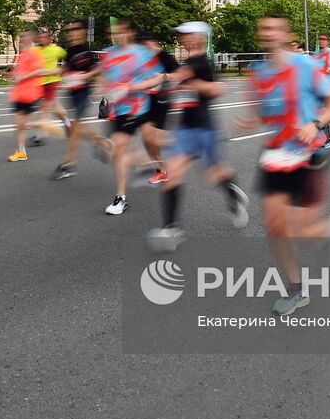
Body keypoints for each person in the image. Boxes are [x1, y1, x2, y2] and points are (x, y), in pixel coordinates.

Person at [234, 14, 330, 315]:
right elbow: (264, 112)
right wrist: (250, 120)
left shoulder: (304, 66)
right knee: (274, 226)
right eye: (263, 28)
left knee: (301, 229)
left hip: (310, 152)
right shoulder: (258, 73)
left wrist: (315, 124)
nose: (268, 32)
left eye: (274, 28)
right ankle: (297, 289)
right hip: (276, 154)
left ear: (286, 34)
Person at [147, 22, 248, 250]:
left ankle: (233, 195)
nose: (182, 38)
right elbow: (178, 80)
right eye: (181, 35)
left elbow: (189, 79)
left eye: (186, 34)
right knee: (172, 173)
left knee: (215, 173)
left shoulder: (201, 61)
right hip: (185, 128)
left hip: (205, 129)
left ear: (199, 37)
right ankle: (171, 229)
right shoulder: (189, 62)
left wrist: (169, 73)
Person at [99, 18, 163, 215]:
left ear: (131, 33)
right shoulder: (109, 54)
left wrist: (131, 87)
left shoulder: (142, 54)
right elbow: (104, 77)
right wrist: (104, 91)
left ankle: (121, 199)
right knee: (122, 151)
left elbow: (158, 78)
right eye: (115, 32)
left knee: (118, 148)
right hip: (117, 109)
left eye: (123, 31)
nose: (119, 35)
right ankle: (149, 165)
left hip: (137, 107)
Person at [55, 20, 109, 180]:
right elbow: (64, 69)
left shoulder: (86, 51)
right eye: (69, 30)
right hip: (71, 94)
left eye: (75, 29)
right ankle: (103, 142)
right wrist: (50, 73)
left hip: (83, 95)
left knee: (75, 130)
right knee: (77, 129)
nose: (71, 32)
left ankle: (67, 165)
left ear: (83, 31)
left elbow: (98, 69)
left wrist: (94, 82)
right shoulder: (70, 50)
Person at [139, 31, 180, 185]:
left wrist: (164, 77)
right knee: (146, 139)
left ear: (154, 42)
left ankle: (182, 143)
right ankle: (160, 170)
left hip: (161, 101)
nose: (144, 47)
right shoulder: (143, 57)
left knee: (153, 138)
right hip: (146, 101)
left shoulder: (164, 56)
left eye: (147, 43)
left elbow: (180, 75)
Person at [8, 29, 48, 162]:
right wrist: (13, 77)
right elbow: (19, 72)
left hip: (29, 94)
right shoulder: (23, 54)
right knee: (18, 124)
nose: (22, 39)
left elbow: (39, 71)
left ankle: (43, 125)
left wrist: (22, 78)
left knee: (21, 124)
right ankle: (21, 152)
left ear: (31, 39)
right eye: (21, 37)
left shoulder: (34, 53)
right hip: (19, 93)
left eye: (24, 36)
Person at [32, 29, 70, 145]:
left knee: (46, 107)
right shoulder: (35, 50)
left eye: (44, 37)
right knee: (53, 105)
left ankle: (41, 133)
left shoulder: (56, 49)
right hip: (39, 82)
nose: (41, 39)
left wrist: (60, 69)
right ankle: (67, 122)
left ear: (49, 39)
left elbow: (69, 59)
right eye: (40, 37)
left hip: (52, 81)